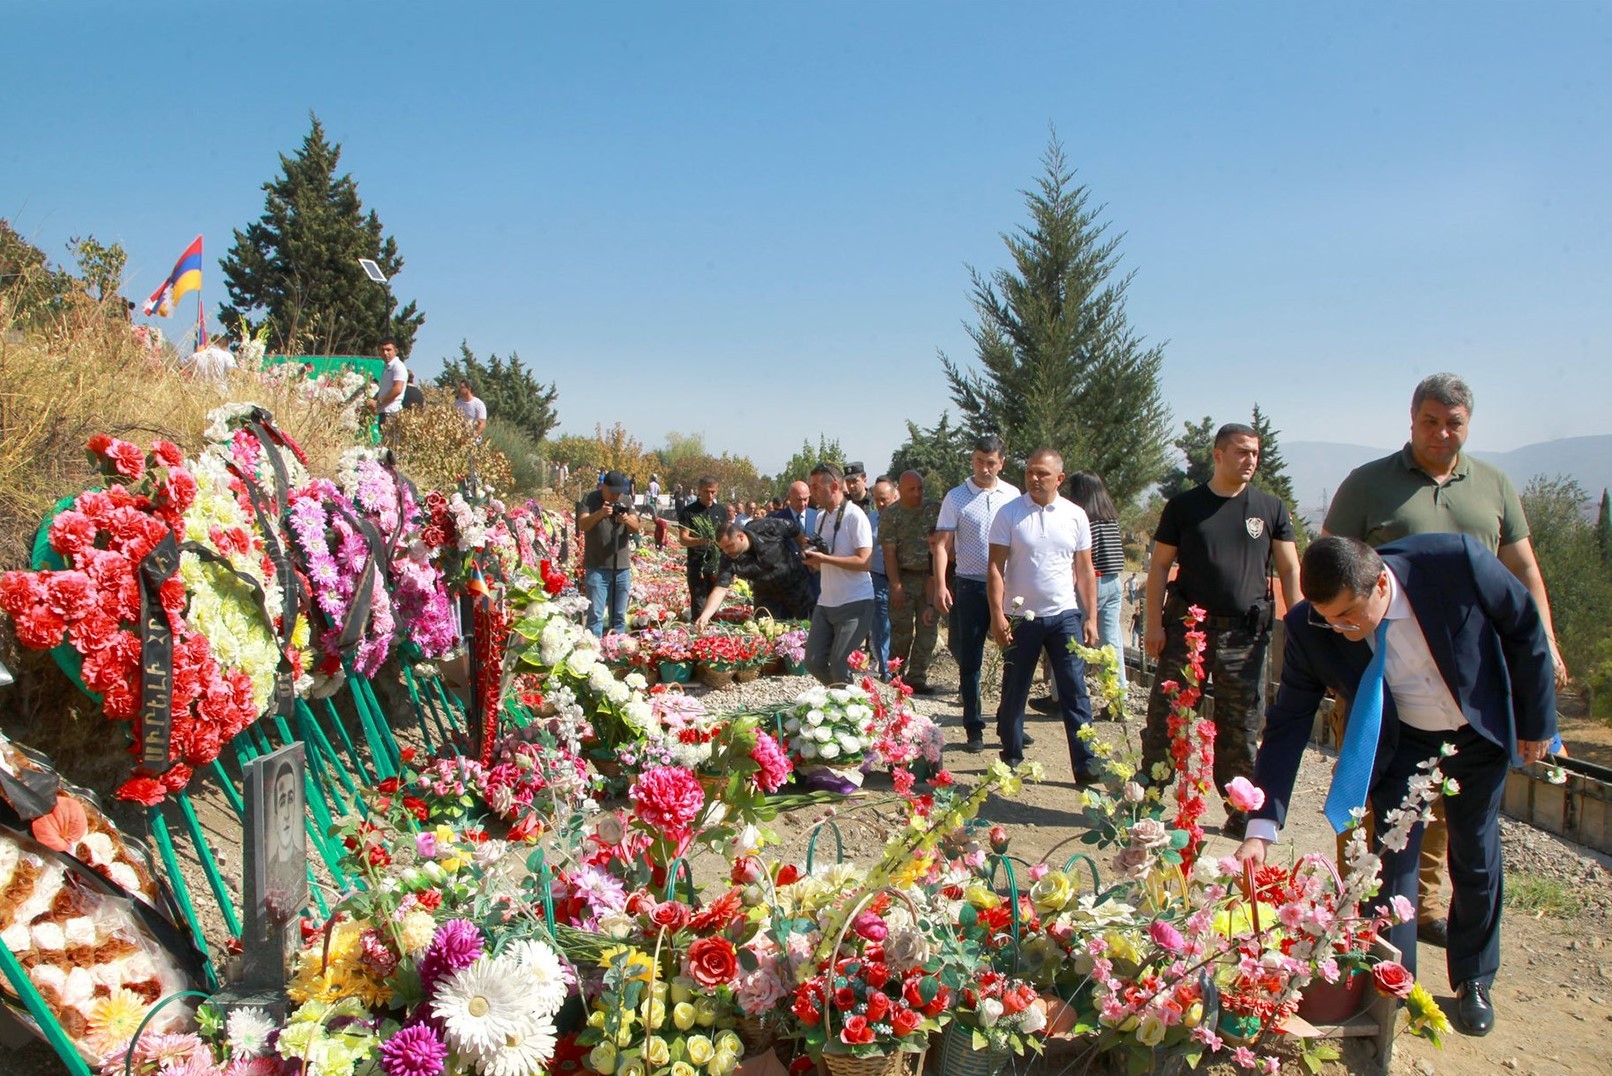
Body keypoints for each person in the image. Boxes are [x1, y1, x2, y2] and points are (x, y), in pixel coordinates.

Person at [1236, 535, 1556, 1037]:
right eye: (1329, 618)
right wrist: (1261, 821)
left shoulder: (1456, 564)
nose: (1339, 630)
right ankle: (1393, 985)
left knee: (1474, 853)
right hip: (1403, 742)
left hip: (1478, 729)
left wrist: (1537, 722)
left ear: (1381, 583)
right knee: (1387, 866)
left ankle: (1474, 978)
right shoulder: (1310, 626)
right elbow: (1289, 722)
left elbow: (1523, 627)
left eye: (1349, 617)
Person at [1321, 371, 1569, 951]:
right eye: (1430, 421)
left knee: (1457, 822)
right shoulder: (1368, 484)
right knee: (1382, 810)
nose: (1441, 433)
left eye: (1453, 423)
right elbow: (1328, 565)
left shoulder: (1494, 484)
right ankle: (1362, 923)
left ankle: (1426, 912)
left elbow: (1523, 571)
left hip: (1470, 678)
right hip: (1388, 672)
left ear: (1468, 425)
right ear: (1412, 420)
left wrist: (1548, 637)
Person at [1142, 422, 1302, 837]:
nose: (1250, 460)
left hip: (1244, 639)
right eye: (1241, 452)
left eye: (1255, 453)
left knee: (1242, 727)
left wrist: (1301, 624)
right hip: (1189, 634)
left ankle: (1240, 812)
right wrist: (1154, 624)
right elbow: (1159, 566)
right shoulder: (1184, 506)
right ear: (1218, 455)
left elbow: (1288, 568)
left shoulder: (1270, 508)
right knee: (1167, 718)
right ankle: (1148, 799)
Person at [987, 449, 1102, 777]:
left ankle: (1086, 762)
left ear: (1060, 479)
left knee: (1074, 688)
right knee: (1015, 687)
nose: (1034, 479)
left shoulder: (1075, 515)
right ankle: (1011, 753)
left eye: (1043, 474)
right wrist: (998, 614)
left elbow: (1084, 567)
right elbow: (995, 566)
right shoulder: (1009, 514)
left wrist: (1090, 616)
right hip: (1021, 616)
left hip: (1064, 614)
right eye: (1030, 473)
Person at [933, 435, 1020, 752]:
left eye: (991, 463)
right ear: (972, 460)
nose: (985, 468)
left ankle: (1010, 725)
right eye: (979, 461)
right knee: (970, 659)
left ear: (1002, 463)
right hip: (969, 584)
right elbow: (942, 545)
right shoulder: (956, 497)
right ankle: (974, 728)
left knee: (1014, 658)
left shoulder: (1012, 495)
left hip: (1009, 586)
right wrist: (941, 583)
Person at [803, 462, 875, 685]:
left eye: (815, 486)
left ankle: (851, 710)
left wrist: (824, 559)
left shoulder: (855, 516)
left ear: (834, 486)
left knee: (839, 664)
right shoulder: (822, 517)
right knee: (813, 662)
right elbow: (823, 562)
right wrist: (811, 559)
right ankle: (843, 701)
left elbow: (865, 561)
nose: (811, 492)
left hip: (855, 601)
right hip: (827, 601)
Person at [1068, 470, 1129, 696]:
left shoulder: (1085, 519)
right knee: (1111, 642)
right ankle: (1117, 697)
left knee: (1069, 639)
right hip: (1113, 582)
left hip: (1092, 583)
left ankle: (1062, 695)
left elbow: (1082, 560)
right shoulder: (1110, 517)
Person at [880, 471, 941, 694]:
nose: (917, 494)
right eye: (911, 490)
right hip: (903, 578)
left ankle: (917, 677)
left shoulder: (934, 510)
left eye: (920, 489)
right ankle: (896, 676)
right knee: (901, 632)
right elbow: (889, 553)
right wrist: (895, 585)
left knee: (928, 632)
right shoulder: (891, 515)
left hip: (930, 577)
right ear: (900, 490)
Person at [693, 519, 815, 628]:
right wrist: (705, 616)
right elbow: (720, 589)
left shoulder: (765, 527)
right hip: (766, 596)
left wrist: (803, 548)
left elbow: (794, 528)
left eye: (729, 546)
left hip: (796, 586)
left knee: (808, 628)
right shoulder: (728, 558)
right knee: (765, 634)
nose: (726, 551)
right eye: (722, 548)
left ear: (740, 536)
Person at [578, 470, 640, 635]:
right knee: (595, 616)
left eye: (619, 493)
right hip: (597, 567)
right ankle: (595, 652)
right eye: (612, 493)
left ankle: (617, 651)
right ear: (603, 487)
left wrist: (626, 519)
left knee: (619, 616)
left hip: (621, 568)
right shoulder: (590, 499)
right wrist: (600, 514)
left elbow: (636, 527)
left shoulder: (625, 500)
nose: (615, 497)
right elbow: (582, 524)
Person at [675, 476, 729, 620]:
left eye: (713, 492)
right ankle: (699, 637)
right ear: (699, 491)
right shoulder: (689, 512)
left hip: (716, 565)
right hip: (697, 565)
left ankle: (713, 639)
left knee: (713, 607)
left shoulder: (721, 511)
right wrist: (702, 541)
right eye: (706, 491)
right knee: (699, 606)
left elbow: (726, 536)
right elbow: (683, 539)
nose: (710, 495)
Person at [865, 476, 898, 679]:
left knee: (900, 625)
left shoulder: (906, 519)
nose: (881, 504)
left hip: (903, 579)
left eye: (884, 499)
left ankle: (899, 667)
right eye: (877, 499)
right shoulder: (870, 520)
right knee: (881, 625)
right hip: (878, 577)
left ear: (895, 496)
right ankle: (886, 670)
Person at [369, 339, 407, 425]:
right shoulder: (387, 368)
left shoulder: (398, 366)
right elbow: (385, 390)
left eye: (388, 350)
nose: (385, 353)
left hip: (392, 413)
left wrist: (378, 402)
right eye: (382, 350)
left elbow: (397, 389)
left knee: (390, 438)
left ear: (396, 351)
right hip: (384, 412)